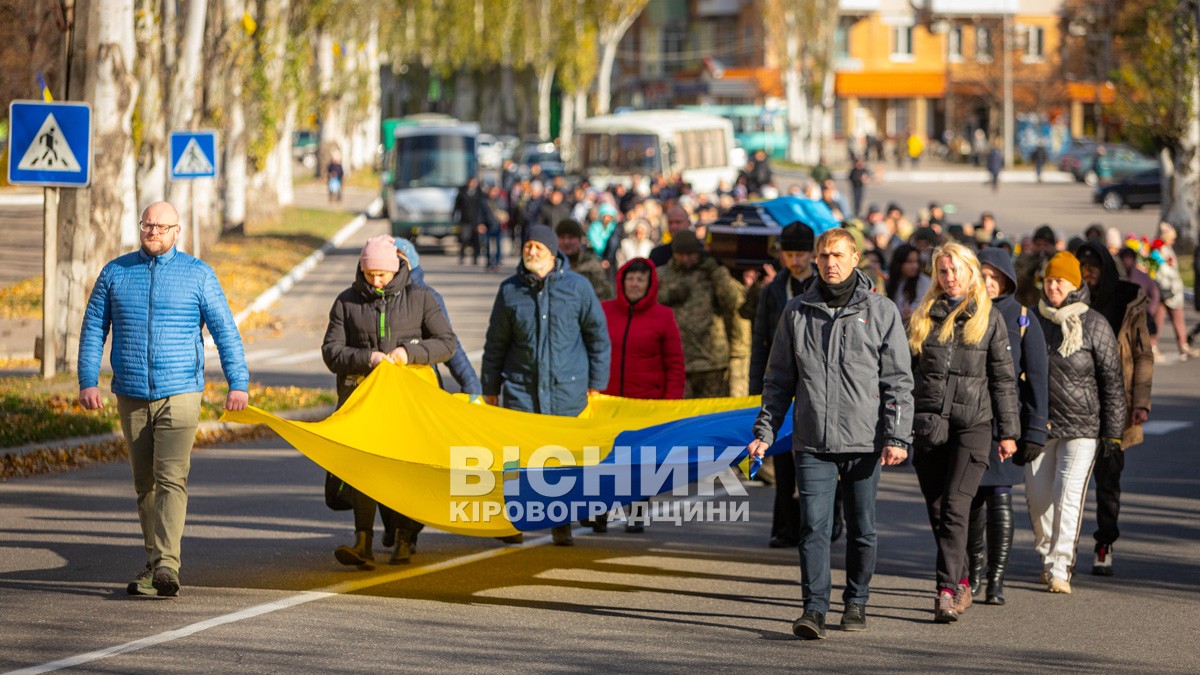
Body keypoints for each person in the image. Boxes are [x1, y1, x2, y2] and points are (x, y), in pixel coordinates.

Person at [78, 201, 251, 598]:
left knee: (171, 477)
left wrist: (237, 382)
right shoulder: (115, 273)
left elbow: (226, 331)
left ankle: (167, 566)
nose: (152, 231)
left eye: (160, 226)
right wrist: (88, 380)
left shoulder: (198, 275)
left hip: (181, 391)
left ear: (177, 231)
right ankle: (156, 564)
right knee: (145, 484)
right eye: (147, 225)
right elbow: (92, 330)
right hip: (132, 392)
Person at [749, 227, 914, 640]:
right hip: (813, 439)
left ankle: (856, 600)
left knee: (862, 527)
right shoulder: (796, 311)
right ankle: (814, 609)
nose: (830, 262)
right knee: (813, 526)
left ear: (856, 258)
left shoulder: (881, 311)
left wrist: (897, 436)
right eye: (824, 256)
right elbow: (779, 380)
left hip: (864, 440)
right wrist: (765, 431)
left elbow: (898, 381)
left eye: (838, 255)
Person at [322, 236, 457, 567]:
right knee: (364, 469)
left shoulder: (421, 298)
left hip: (407, 403)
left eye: (382, 274)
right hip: (361, 401)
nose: (376, 281)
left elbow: (447, 343)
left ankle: (404, 538)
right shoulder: (346, 302)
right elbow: (332, 351)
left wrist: (407, 353)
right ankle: (362, 542)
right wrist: (368, 358)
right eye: (369, 274)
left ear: (396, 268)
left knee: (402, 470)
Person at [907, 242, 1020, 623]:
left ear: (971, 272)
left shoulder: (989, 319)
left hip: (974, 425)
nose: (950, 278)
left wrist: (1008, 432)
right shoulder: (922, 316)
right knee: (939, 511)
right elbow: (906, 376)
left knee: (956, 507)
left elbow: (1003, 380)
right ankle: (965, 576)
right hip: (930, 426)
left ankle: (946, 589)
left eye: (956, 270)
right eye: (943, 271)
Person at [481, 225, 611, 546]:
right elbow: (495, 344)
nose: (532, 251)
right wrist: (490, 386)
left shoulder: (578, 288)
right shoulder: (510, 290)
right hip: (520, 390)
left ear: (553, 252)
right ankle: (513, 521)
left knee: (560, 459)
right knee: (517, 459)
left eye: (539, 246)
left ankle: (560, 522)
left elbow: (598, 339)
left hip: (567, 391)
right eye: (528, 245)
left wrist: (597, 384)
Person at [1029, 251, 1126, 594]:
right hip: (1040, 425)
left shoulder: (1095, 324)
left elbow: (1113, 384)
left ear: (1075, 284)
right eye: (1049, 280)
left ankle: (1060, 567)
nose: (1053, 286)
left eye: (1061, 280)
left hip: (1083, 427)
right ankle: (1046, 553)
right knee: (1039, 500)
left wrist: (1113, 436)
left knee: (1067, 496)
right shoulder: (1032, 320)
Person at [967, 249, 1051, 606]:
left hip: (1006, 422)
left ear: (1005, 279)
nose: (987, 283)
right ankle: (971, 573)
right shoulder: (965, 313)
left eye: (993, 277)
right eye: (981, 276)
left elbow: (1037, 379)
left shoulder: (1021, 317)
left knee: (1000, 497)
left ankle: (996, 578)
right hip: (969, 419)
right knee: (968, 501)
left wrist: (1034, 429)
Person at [747, 222, 833, 551]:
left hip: (818, 385)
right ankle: (783, 525)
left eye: (801, 253)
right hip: (782, 381)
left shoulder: (823, 285)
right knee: (782, 458)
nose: (795, 260)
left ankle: (827, 520)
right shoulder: (773, 290)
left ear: (812, 254)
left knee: (821, 459)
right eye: (789, 253)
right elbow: (760, 341)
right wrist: (758, 389)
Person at [1077, 242, 1154, 576]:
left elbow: (1143, 354)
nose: (1087, 275)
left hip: (1115, 406)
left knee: (1108, 481)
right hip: (1075, 405)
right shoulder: (1068, 300)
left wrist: (1140, 403)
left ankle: (1104, 543)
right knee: (1070, 483)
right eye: (1082, 268)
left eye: (1093, 268)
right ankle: (1063, 551)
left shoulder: (1126, 299)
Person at [597, 257, 685, 533]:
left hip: (646, 404)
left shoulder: (663, 316)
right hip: (606, 401)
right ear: (621, 281)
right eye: (630, 278)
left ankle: (636, 512)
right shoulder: (604, 311)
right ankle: (598, 510)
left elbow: (675, 364)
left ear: (650, 284)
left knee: (639, 462)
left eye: (640, 279)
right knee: (603, 459)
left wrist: (670, 404)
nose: (634, 284)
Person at [657, 230, 743, 398]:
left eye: (691, 254)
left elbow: (732, 302)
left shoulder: (712, 272)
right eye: (681, 255)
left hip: (711, 360)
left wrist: (716, 272)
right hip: (678, 359)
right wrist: (668, 296)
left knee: (710, 415)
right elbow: (649, 303)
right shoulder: (662, 274)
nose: (687, 259)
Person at [1149, 223, 1198, 361]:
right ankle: (1152, 346)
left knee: (1179, 319)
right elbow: (1161, 271)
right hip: (1164, 291)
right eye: (1171, 237)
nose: (1174, 240)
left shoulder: (1167, 249)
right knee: (1157, 321)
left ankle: (1183, 346)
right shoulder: (1157, 250)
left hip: (1174, 292)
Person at [555, 219, 615, 300]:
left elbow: (604, 296)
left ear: (579, 240)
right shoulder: (551, 265)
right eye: (562, 237)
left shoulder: (591, 265)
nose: (566, 242)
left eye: (571, 237)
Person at [885, 244, 931, 323]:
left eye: (916, 261)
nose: (915, 266)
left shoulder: (924, 282)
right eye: (909, 262)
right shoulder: (890, 281)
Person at [454, 177, 488, 266]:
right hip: (465, 220)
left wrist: (483, 221)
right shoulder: (462, 192)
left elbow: (483, 208)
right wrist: (454, 215)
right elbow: (457, 205)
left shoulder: (480, 193)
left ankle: (475, 258)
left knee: (476, 240)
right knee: (464, 239)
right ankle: (462, 256)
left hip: (476, 220)